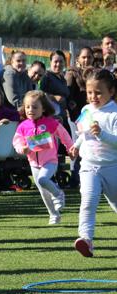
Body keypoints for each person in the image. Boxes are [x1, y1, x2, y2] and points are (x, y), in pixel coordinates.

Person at [70, 69, 117, 257]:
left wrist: (102, 134)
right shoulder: (86, 110)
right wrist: (76, 145)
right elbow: (84, 133)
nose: (93, 96)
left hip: (112, 167)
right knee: (88, 202)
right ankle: (86, 239)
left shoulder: (114, 113)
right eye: (90, 92)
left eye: (98, 92)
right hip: (89, 165)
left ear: (111, 91)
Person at [13, 90, 73, 225]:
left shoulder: (51, 123)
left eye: (35, 107)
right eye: (27, 106)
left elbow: (64, 136)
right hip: (33, 163)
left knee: (42, 179)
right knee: (43, 191)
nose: (30, 110)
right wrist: (21, 148)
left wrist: (70, 149)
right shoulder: (23, 126)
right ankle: (54, 215)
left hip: (50, 161)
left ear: (43, 108)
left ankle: (58, 193)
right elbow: (17, 141)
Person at [41, 50, 70, 118]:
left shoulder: (63, 79)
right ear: (50, 62)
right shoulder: (46, 76)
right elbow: (40, 94)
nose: (58, 64)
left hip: (62, 115)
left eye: (61, 62)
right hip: (51, 116)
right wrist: (53, 97)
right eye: (56, 62)